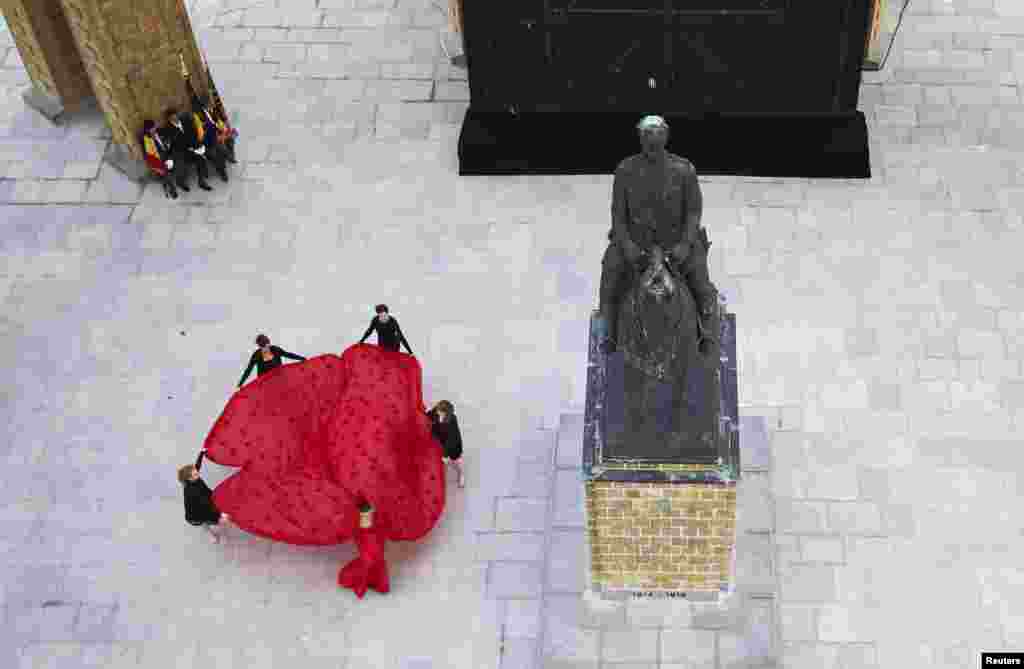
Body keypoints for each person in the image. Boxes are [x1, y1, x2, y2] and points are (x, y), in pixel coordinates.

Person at [598, 115, 717, 353]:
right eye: (647, 133)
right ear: (640, 137)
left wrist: (685, 244)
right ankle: (607, 332)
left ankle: (708, 334)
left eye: (657, 133)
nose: (652, 139)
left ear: (666, 136)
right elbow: (618, 214)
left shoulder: (684, 169)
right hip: (635, 244)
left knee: (702, 286)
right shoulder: (625, 170)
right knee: (609, 277)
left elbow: (694, 211)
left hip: (677, 245)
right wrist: (628, 246)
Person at [178, 449, 232, 543]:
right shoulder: (192, 491)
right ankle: (212, 534)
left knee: (212, 521)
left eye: (196, 472)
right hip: (195, 515)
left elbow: (197, 466)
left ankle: (215, 530)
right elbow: (206, 505)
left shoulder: (193, 477)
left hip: (202, 507)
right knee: (210, 523)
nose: (197, 474)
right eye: (195, 474)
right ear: (189, 478)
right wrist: (220, 514)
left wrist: (201, 454)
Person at [158, 106, 212, 192]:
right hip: (180, 152)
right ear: (168, 119)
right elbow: (167, 142)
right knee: (180, 164)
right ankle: (181, 182)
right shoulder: (167, 129)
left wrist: (196, 146)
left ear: (177, 115)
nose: (174, 118)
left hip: (191, 148)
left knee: (200, 159)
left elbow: (194, 133)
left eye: (175, 116)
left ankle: (202, 181)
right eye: (171, 118)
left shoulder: (186, 121)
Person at [237, 334, 307, 388]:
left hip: (275, 380)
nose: (264, 342)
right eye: (262, 341)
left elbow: (288, 354)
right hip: (269, 381)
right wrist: (241, 383)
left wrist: (301, 358)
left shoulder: (272, 349)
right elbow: (248, 369)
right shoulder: (258, 354)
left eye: (264, 340)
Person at [190, 92, 230, 182]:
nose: (208, 106)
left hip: (215, 138)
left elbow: (218, 123)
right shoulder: (196, 119)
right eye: (206, 104)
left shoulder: (209, 112)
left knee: (222, 150)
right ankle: (222, 171)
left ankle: (224, 161)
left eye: (208, 104)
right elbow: (200, 135)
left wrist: (223, 131)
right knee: (215, 155)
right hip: (206, 143)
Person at [426, 400, 464, 488]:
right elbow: (430, 415)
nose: (437, 411)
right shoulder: (436, 411)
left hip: (453, 445)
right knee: (444, 462)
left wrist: (445, 455)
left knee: (457, 460)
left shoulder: (452, 421)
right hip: (441, 441)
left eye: (439, 411)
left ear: (445, 413)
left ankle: (461, 474)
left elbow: (451, 440)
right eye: (437, 408)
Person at [140, 120, 180, 199]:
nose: (154, 129)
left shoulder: (158, 132)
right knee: (165, 173)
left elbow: (166, 139)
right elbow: (149, 155)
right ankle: (171, 189)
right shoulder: (146, 139)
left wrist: (167, 143)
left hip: (166, 153)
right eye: (152, 128)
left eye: (154, 127)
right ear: (147, 130)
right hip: (158, 159)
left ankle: (168, 184)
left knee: (172, 166)